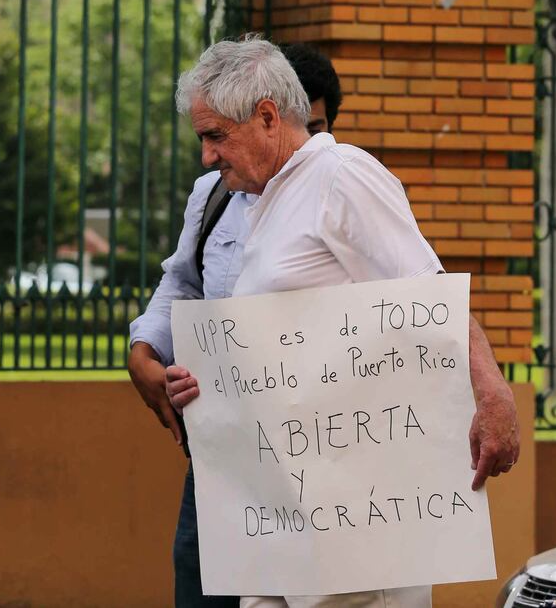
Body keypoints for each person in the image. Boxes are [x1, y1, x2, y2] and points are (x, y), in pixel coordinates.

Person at [165, 37, 520, 608]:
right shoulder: (270, 197)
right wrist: (205, 385)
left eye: (216, 136)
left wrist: (493, 394)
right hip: (281, 514)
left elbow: (427, 294)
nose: (208, 155)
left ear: (267, 117)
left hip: (354, 522)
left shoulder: (339, 175)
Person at [129, 42, 342, 608]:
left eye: (316, 127)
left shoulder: (342, 190)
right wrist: (145, 348)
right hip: (220, 461)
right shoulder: (214, 194)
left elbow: (408, 305)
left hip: (317, 471)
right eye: (208, 137)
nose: (307, 142)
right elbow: (183, 282)